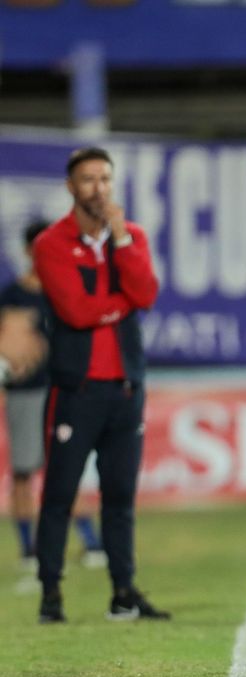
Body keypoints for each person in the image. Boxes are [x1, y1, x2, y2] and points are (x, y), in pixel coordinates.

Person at [32, 146, 170, 623]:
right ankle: (51, 595)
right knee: (60, 494)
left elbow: (146, 294)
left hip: (126, 389)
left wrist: (122, 245)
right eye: (88, 179)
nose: (99, 188)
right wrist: (121, 303)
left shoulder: (129, 237)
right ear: (71, 187)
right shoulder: (51, 243)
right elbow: (75, 311)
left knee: (120, 497)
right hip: (78, 390)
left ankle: (124, 592)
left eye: (105, 179)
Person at [2, 219, 104, 571]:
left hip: (64, 390)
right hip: (25, 393)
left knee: (68, 467)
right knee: (24, 470)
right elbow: (6, 349)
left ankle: (90, 541)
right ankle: (29, 548)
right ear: (30, 250)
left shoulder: (65, 290)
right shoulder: (12, 296)